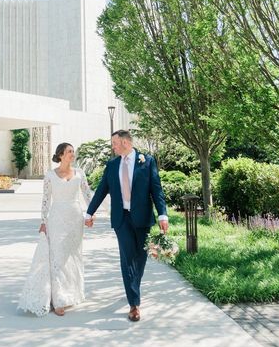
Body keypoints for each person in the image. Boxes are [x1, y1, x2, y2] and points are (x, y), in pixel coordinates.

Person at [85, 130, 168, 322]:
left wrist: (163, 214)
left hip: (142, 217)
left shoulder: (146, 161)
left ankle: (133, 289)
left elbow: (157, 190)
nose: (112, 146)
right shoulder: (112, 165)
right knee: (127, 257)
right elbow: (101, 191)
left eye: (114, 143)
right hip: (121, 219)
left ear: (124, 142)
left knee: (140, 257)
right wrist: (89, 212)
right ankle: (134, 304)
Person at [18, 142, 93, 317]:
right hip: (57, 219)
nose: (72, 155)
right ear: (60, 155)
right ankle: (59, 299)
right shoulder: (50, 175)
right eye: (69, 152)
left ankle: (73, 294)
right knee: (57, 258)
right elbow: (45, 200)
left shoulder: (80, 173)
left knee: (73, 257)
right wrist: (43, 221)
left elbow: (88, 195)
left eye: (73, 152)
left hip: (75, 219)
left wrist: (91, 215)